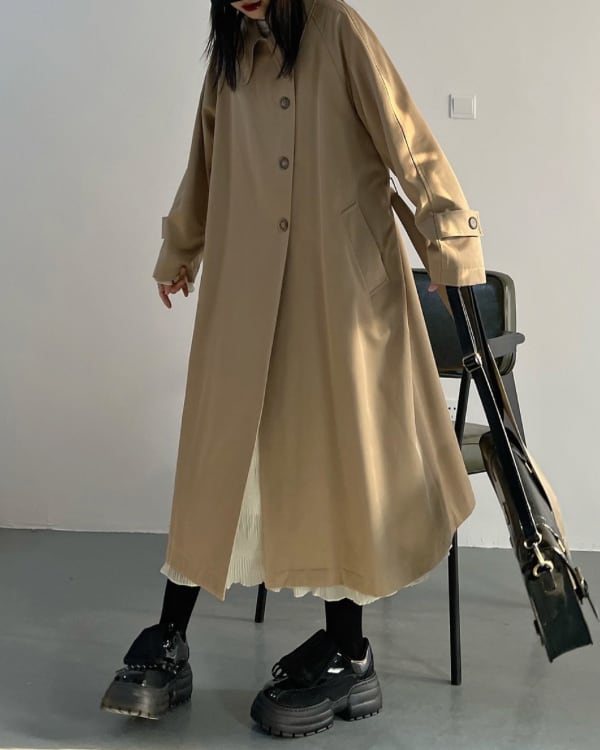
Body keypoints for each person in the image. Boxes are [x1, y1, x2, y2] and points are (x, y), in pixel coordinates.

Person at [100, 0, 486, 738]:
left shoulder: (337, 30)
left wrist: (451, 243)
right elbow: (206, 159)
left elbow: (409, 142)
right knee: (219, 458)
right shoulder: (231, 55)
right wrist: (181, 250)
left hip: (336, 290)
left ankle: (350, 653)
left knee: (335, 459)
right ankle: (170, 637)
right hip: (246, 287)